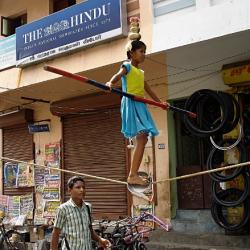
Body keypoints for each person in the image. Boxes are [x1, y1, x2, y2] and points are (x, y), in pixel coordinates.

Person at [106, 38, 163, 186]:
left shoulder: (141, 72)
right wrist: (111, 83)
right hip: (131, 102)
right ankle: (132, 174)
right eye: (141, 51)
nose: (144, 54)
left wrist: (160, 103)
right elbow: (118, 75)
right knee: (142, 138)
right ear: (131, 53)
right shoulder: (127, 66)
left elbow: (148, 89)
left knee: (143, 139)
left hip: (141, 104)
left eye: (145, 52)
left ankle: (133, 174)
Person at [51, 176, 110, 250]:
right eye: (78, 187)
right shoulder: (63, 209)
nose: (82, 190)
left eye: (83, 187)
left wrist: (100, 239)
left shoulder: (88, 207)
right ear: (70, 189)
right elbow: (56, 233)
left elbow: (90, 230)